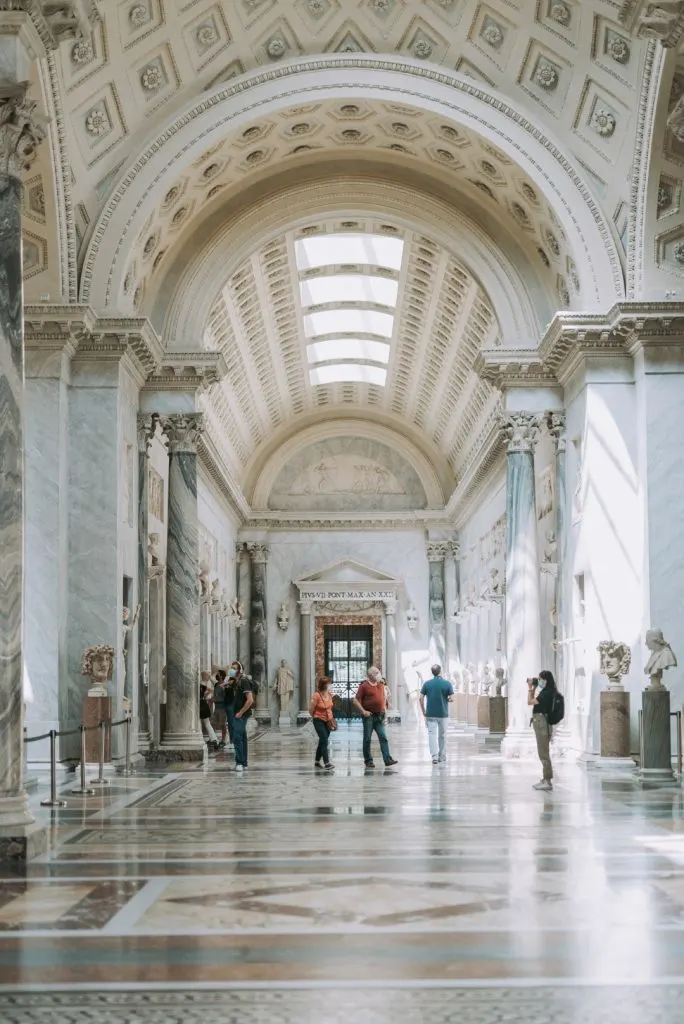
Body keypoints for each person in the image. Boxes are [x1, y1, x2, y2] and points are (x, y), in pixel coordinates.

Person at [353, 666, 398, 769]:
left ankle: (387, 759)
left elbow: (384, 697)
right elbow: (355, 701)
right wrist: (363, 711)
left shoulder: (381, 684)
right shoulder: (364, 686)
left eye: (379, 672)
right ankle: (368, 760)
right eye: (376, 672)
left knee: (383, 737)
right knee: (367, 739)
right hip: (369, 716)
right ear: (370, 675)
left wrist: (384, 709)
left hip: (380, 716)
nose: (379, 674)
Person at [528, 670, 558, 791]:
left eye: (541, 679)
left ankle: (547, 780)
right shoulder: (548, 691)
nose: (539, 681)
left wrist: (531, 688)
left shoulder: (546, 693)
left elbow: (530, 701)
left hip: (542, 723)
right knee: (543, 752)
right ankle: (546, 778)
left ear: (546, 680)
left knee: (543, 753)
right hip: (540, 722)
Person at [419, 664, 454, 764]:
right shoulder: (447, 684)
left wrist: (423, 711)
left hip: (430, 714)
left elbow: (420, 698)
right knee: (442, 735)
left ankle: (434, 757)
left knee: (431, 735)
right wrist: (447, 699)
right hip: (443, 714)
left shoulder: (427, 684)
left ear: (432, 672)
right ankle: (442, 756)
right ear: (440, 671)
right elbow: (451, 698)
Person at [231, 663, 254, 772]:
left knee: (237, 737)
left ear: (240, 670)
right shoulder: (236, 681)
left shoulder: (244, 681)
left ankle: (239, 762)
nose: (231, 670)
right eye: (231, 668)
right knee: (242, 738)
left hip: (241, 714)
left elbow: (250, 700)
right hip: (237, 712)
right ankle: (244, 763)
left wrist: (240, 712)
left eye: (234, 668)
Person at [309, 676, 335, 770]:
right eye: (329, 684)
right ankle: (327, 762)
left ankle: (316, 761)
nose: (331, 685)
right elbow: (311, 710)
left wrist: (330, 717)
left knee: (322, 741)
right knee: (324, 739)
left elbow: (330, 707)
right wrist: (316, 716)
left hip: (328, 721)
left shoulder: (330, 694)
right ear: (324, 685)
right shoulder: (316, 695)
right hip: (318, 720)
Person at [199, 671, 219, 752]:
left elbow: (212, 690)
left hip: (201, 704)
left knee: (205, 723)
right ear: (203, 675)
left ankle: (213, 739)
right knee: (206, 723)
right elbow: (212, 690)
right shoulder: (202, 684)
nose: (208, 676)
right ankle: (214, 739)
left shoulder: (202, 684)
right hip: (202, 704)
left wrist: (206, 695)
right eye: (207, 675)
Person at [211, 668, 228, 749]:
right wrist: (212, 699)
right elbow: (215, 694)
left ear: (221, 676)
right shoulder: (216, 684)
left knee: (222, 724)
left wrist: (216, 699)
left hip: (222, 708)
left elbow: (225, 698)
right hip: (216, 707)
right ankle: (214, 739)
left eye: (218, 674)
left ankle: (223, 740)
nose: (216, 675)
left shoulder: (225, 685)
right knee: (213, 723)